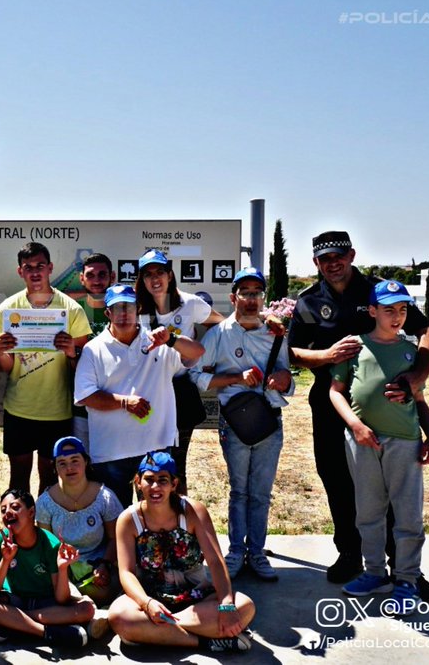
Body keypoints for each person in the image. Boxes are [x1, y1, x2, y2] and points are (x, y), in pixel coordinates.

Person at [288, 231, 429, 593]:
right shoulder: (308, 301)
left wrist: (417, 376)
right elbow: (291, 351)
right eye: (325, 259)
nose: (333, 263)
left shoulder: (377, 291)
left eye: (339, 256)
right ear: (316, 263)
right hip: (331, 403)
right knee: (337, 480)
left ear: (352, 255)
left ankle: (402, 567)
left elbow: (428, 329)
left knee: (389, 489)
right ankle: (352, 557)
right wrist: (325, 357)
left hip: (387, 407)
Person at [329, 280, 429, 617]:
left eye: (403, 310)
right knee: (368, 511)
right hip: (363, 442)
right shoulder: (355, 347)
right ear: (373, 311)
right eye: (389, 310)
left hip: (404, 443)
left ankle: (406, 579)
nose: (397, 317)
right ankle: (375, 572)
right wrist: (355, 425)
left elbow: (419, 398)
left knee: (407, 514)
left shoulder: (410, 352)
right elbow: (336, 391)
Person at [190, 268, 293, 581]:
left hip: (270, 422)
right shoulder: (219, 334)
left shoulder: (274, 333)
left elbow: (289, 378)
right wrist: (236, 378)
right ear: (233, 297)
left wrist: (281, 380)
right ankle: (235, 553)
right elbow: (198, 375)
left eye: (256, 293)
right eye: (244, 292)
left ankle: (257, 554)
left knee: (261, 493)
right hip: (235, 423)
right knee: (239, 491)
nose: (250, 299)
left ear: (263, 298)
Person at [108, 452, 256, 653]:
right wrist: (147, 603)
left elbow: (215, 560)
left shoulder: (193, 511)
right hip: (151, 598)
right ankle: (207, 642)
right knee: (119, 616)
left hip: (196, 596)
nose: (155, 487)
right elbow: (126, 572)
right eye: (149, 480)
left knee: (245, 606)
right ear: (138, 482)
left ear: (174, 484)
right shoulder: (128, 519)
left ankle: (154, 633)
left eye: (163, 480)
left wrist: (227, 605)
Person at [75, 285, 203, 507]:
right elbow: (86, 395)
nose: (124, 314)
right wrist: (124, 402)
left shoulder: (159, 342)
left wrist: (171, 339)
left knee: (157, 522)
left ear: (139, 309)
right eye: (117, 308)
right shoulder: (92, 349)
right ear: (108, 313)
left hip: (155, 450)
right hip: (111, 453)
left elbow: (197, 353)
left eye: (129, 307)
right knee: (117, 525)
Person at [0, 242, 92, 494]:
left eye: (40, 266)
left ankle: (45, 535)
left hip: (57, 410)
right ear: (20, 272)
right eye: (28, 268)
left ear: (50, 268)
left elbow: (84, 367)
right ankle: (18, 533)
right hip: (19, 408)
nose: (35, 272)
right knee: (18, 482)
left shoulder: (71, 309)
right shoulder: (7, 309)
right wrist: (1, 352)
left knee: (49, 483)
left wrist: (72, 352)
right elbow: (6, 367)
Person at [134, 250, 223, 492]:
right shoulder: (135, 308)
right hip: (147, 393)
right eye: (148, 274)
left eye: (160, 272)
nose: (155, 279)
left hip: (180, 393)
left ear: (170, 275)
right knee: (145, 468)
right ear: (141, 280)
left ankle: (180, 526)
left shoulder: (190, 303)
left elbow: (222, 326)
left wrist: (208, 356)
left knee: (176, 469)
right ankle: (147, 526)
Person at [0, 489, 96, 648]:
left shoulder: (50, 543)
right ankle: (46, 633)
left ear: (31, 512)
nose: (8, 512)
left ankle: (11, 623)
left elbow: (61, 599)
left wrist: (63, 568)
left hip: (45, 603)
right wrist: (6, 559)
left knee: (87, 610)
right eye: (3, 510)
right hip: (14, 600)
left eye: (15, 507)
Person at [35, 437, 123, 607]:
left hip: (99, 565)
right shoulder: (45, 503)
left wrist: (105, 565)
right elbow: (46, 545)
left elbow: (115, 538)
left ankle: (81, 609)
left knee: (105, 590)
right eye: (62, 463)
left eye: (75, 460)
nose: (69, 468)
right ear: (55, 468)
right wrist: (61, 570)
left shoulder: (105, 498)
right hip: (62, 566)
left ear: (86, 462)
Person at [71, 252, 115, 448]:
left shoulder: (126, 310)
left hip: (117, 402)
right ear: (82, 278)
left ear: (112, 277)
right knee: (85, 466)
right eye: (90, 275)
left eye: (102, 275)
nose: (96, 281)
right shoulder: (71, 310)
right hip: (81, 406)